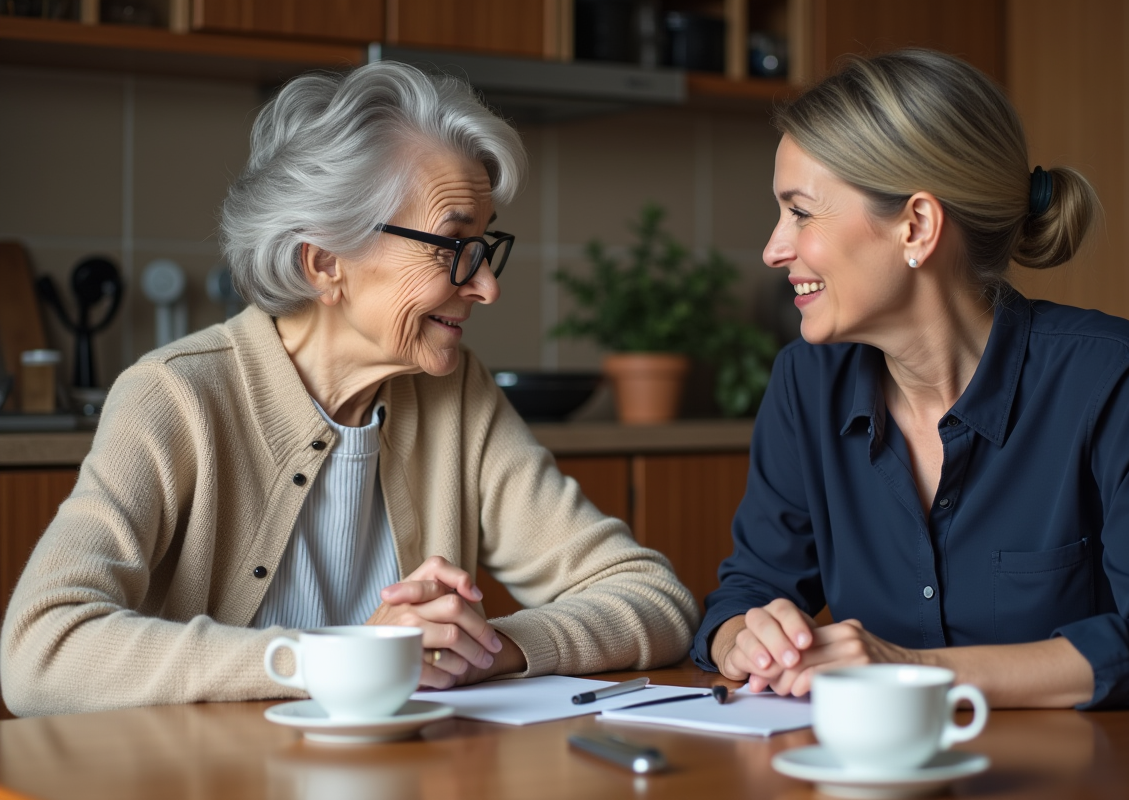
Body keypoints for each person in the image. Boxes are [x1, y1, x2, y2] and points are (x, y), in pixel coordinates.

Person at [1, 62, 699, 717]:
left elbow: (653, 598)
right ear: (326, 261)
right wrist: (340, 658)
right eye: (453, 246)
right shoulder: (176, 397)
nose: (486, 285)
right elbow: (42, 650)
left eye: (486, 248)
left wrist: (489, 647)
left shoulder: (457, 397)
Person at [692, 49, 1129, 709]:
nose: (773, 249)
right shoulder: (805, 382)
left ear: (918, 226)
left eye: (801, 212)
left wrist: (912, 669)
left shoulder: (1117, 379)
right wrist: (746, 635)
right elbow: (749, 590)